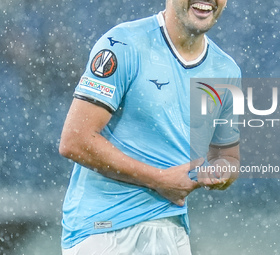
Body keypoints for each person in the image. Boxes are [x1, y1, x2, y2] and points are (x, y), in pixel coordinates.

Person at [59, 0, 241, 254]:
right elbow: (75, 141)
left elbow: (228, 157)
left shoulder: (226, 70)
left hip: (171, 229)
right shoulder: (123, 44)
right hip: (104, 227)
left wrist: (221, 172)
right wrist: (159, 180)